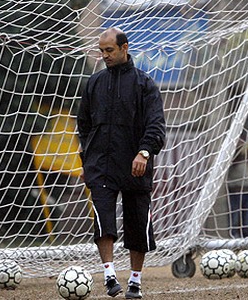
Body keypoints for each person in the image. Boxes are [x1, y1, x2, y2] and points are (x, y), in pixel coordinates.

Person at [77, 27, 166, 299]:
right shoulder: (94, 84)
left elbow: (156, 125)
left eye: (109, 50)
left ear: (124, 48)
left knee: (137, 223)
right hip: (101, 166)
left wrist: (144, 152)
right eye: (101, 51)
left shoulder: (144, 84)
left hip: (135, 165)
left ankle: (135, 282)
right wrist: (87, 159)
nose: (104, 56)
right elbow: (84, 126)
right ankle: (109, 275)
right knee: (103, 220)